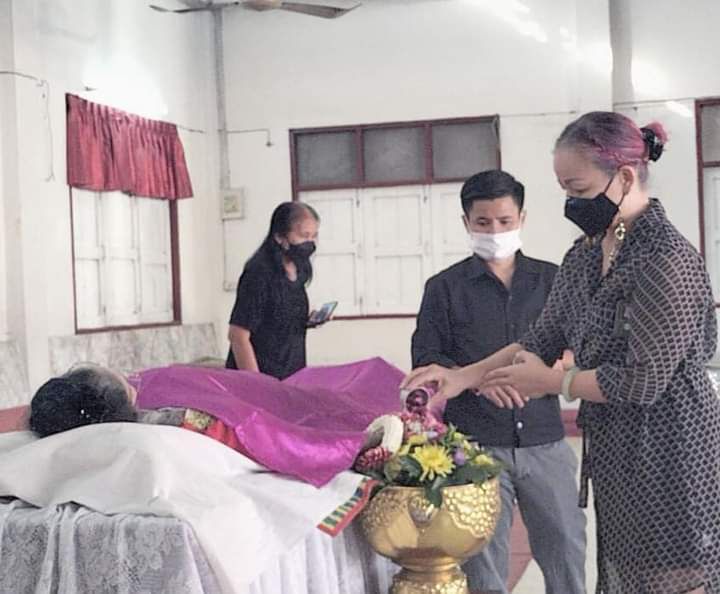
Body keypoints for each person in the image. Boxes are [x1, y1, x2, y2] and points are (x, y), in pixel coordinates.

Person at [403, 112, 720, 594]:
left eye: (579, 188)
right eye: (564, 189)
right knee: (625, 574)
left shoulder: (666, 258)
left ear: (625, 177)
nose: (572, 203)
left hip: (670, 448)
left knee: (673, 579)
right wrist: (464, 376)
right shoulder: (587, 254)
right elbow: (541, 337)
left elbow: (643, 380)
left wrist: (553, 382)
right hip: (615, 447)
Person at [411, 169, 586, 594]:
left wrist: (544, 373)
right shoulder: (443, 288)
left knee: (566, 550)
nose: (494, 231)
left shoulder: (554, 280)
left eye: (505, 221)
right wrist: (479, 382)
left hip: (545, 442)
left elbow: (581, 347)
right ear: (466, 222)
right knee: (484, 563)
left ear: (522, 218)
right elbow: (428, 359)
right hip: (475, 447)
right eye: (483, 222)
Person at [28, 358, 405, 487]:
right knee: (322, 401)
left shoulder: (138, 391)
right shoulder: (179, 421)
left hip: (259, 387)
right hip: (275, 403)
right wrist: (348, 444)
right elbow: (261, 433)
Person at [226, 201, 322, 379]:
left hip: (291, 372)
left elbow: (277, 317)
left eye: (314, 236)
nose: (310, 243)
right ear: (279, 237)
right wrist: (257, 384)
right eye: (303, 235)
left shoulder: (299, 270)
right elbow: (238, 336)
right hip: (260, 374)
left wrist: (309, 319)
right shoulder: (259, 274)